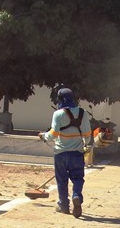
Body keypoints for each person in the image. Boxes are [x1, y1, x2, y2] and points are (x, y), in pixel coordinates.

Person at [38, 86, 92, 218]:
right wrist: (84, 144)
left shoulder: (58, 114)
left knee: (62, 180)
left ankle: (64, 205)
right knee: (78, 178)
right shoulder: (83, 113)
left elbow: (53, 134)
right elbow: (87, 135)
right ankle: (76, 196)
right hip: (77, 153)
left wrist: (43, 136)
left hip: (61, 154)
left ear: (61, 100)